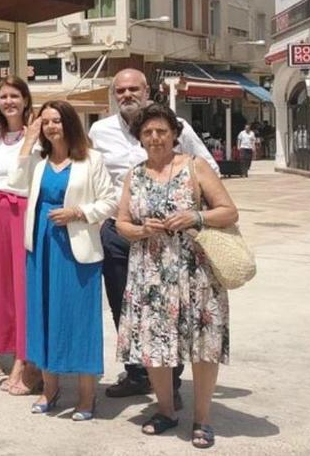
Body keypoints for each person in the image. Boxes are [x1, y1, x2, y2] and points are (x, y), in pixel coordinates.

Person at [90, 68, 217, 403]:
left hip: (171, 239)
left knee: (168, 311)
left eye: (134, 89)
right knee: (126, 307)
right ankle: (136, 374)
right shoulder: (99, 130)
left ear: (147, 90)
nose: (127, 95)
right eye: (121, 91)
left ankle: (170, 386)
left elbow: (209, 168)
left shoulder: (177, 127)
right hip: (121, 231)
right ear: (114, 94)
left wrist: (188, 208)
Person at [116, 103, 236, 449]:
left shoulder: (195, 166)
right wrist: (140, 230)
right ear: (140, 138)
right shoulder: (134, 175)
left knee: (201, 345)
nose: (155, 138)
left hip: (195, 271)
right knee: (156, 345)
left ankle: (202, 419)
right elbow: (122, 222)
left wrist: (195, 218)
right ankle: (166, 411)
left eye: (161, 131)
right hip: (151, 274)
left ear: (174, 135)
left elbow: (228, 211)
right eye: (148, 132)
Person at [10, 100, 117, 421]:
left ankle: (87, 397)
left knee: (79, 319)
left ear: (69, 123)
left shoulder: (91, 159)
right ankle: (49, 389)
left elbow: (110, 200)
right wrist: (28, 141)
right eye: (46, 122)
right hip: (41, 246)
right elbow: (15, 183)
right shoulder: (39, 162)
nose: (51, 127)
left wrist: (79, 212)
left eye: (56, 120)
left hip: (77, 246)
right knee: (42, 316)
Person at [0, 75, 39, 396]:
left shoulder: (37, 134)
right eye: (3, 97)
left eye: (15, 96)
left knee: (24, 288)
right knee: (4, 289)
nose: (9, 102)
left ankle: (25, 361)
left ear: (25, 100)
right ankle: (14, 352)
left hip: (24, 213)